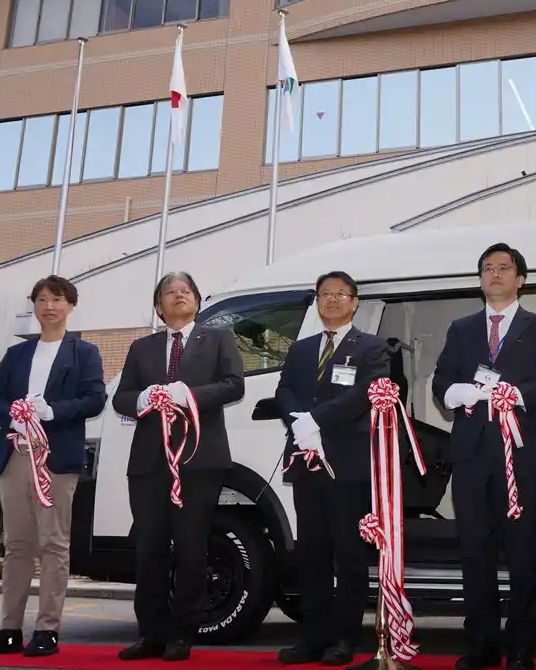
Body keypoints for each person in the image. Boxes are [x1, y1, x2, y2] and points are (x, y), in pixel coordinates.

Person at [432, 243, 536, 670]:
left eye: (504, 268)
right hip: (471, 456)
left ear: (520, 280)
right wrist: (456, 392)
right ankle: (482, 645)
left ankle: (523, 646)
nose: (494, 274)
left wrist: (517, 394)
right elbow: (441, 380)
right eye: (487, 268)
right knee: (475, 554)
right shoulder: (461, 328)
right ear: (480, 279)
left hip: (520, 456)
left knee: (524, 552)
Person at [112, 271, 246, 662]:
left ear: (197, 301)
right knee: (149, 549)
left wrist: (187, 396)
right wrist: (145, 399)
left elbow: (234, 385)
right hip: (149, 463)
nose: (178, 296)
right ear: (159, 305)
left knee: (191, 548)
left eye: (185, 291)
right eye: (169, 292)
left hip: (198, 460)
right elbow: (121, 398)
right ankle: (150, 634)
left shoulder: (218, 339)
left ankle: (183, 634)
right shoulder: (142, 347)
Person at [0, 275, 108, 658]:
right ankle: (9, 629)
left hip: (56, 458)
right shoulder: (17, 354)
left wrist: (51, 411)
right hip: (15, 454)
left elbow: (95, 399)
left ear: (70, 306)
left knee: (53, 544)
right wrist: (15, 419)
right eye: (42, 299)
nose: (49, 306)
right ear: (34, 305)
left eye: (58, 299)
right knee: (17, 545)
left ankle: (47, 629)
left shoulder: (85, 353)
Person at [274, 271, 390, 667]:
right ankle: (312, 638)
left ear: (355, 302)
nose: (333, 299)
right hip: (306, 463)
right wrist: (298, 422)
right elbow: (285, 389)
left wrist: (315, 420)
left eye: (341, 294)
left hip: (348, 465)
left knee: (349, 556)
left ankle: (344, 639)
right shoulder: (302, 348)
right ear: (317, 301)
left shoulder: (371, 347)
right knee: (312, 555)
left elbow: (365, 393)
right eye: (325, 293)